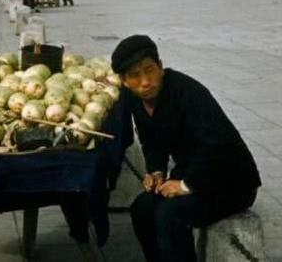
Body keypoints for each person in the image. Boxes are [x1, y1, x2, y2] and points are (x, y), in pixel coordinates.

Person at [111, 35, 261, 262]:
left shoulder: (187, 93)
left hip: (230, 181)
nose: (145, 81)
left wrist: (186, 184)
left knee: (169, 215)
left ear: (160, 66)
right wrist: (157, 171)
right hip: (193, 171)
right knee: (142, 208)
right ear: (124, 81)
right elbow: (150, 140)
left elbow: (219, 146)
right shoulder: (135, 100)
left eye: (149, 70)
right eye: (135, 75)